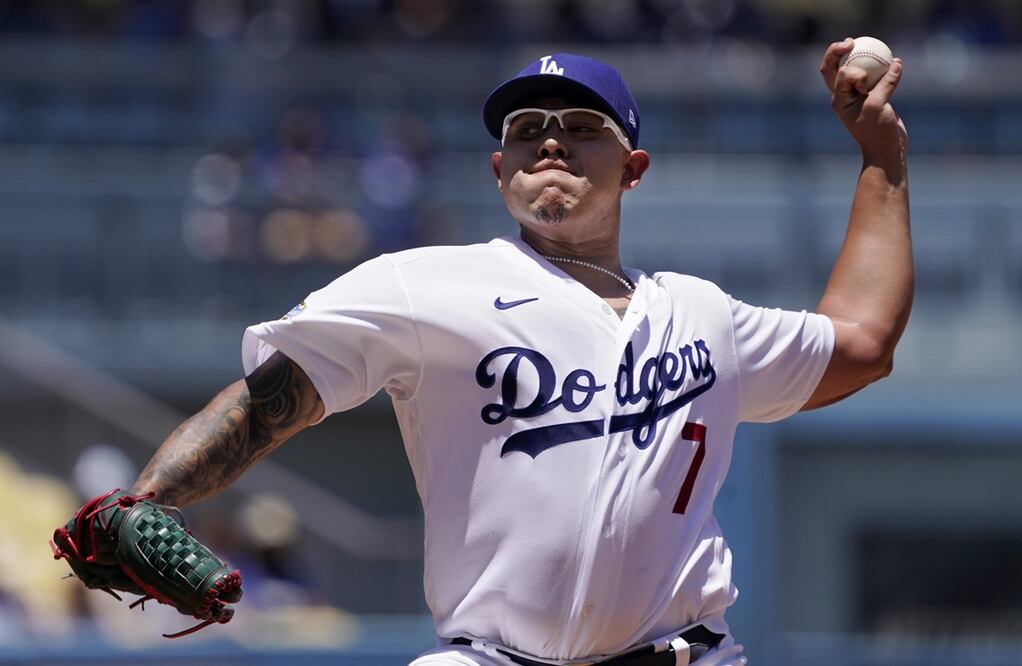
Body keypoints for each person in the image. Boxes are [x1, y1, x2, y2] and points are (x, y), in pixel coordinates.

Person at [125, 41, 911, 665]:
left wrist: (881, 159)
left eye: (580, 125)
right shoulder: (426, 284)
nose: (550, 141)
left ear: (632, 167)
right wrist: (145, 500)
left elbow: (863, 342)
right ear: (499, 170)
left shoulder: (703, 314)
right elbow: (267, 402)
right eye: (526, 128)